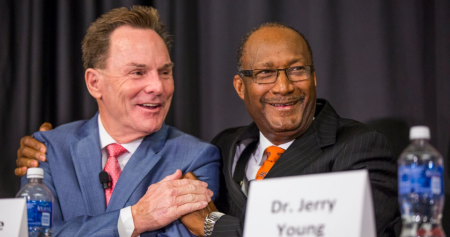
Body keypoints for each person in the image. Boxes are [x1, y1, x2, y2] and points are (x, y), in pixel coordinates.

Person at [16, 22, 401, 237]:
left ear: (314, 77)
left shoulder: (362, 147)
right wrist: (133, 219)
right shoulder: (228, 146)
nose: (283, 86)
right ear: (240, 87)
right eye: (265, 73)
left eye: (296, 70)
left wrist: (215, 224)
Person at [15, 6, 221, 237]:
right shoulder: (47, 150)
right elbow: (35, 234)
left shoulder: (196, 159)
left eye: (165, 72)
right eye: (137, 72)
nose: (158, 87)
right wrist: (134, 219)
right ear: (95, 83)